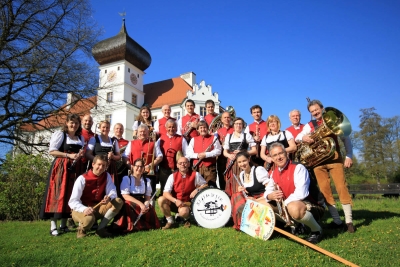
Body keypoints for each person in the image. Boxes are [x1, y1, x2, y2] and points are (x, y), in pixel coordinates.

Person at [296, 99, 355, 233]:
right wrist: (303, 138)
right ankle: (337, 221)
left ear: (322, 108)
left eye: (316, 109)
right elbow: (298, 137)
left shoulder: (333, 121)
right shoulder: (309, 125)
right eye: (312, 111)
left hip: (334, 158)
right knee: (325, 191)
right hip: (318, 162)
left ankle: (349, 221)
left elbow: (346, 138)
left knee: (341, 188)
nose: (315, 112)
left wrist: (349, 156)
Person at [265, 143, 325, 244]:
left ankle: (317, 230)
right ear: (271, 158)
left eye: (281, 153)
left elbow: (302, 193)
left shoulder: (298, 167)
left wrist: (284, 204)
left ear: (286, 154)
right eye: (275, 155)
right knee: (264, 203)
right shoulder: (274, 172)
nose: (278, 157)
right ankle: (296, 226)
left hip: (313, 205)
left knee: (294, 208)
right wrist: (270, 195)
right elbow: (267, 191)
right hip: (291, 204)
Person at [40, 114, 85, 236]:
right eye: (71, 122)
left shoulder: (80, 138)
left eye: (76, 123)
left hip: (76, 168)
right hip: (61, 167)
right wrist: (68, 155)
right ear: (66, 123)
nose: (74, 125)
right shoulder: (60, 135)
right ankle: (53, 226)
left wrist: (79, 155)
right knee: (58, 194)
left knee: (71, 194)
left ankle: (63, 225)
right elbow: (52, 151)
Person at [69, 155, 124, 238]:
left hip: (97, 207)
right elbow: (73, 201)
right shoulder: (82, 179)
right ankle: (81, 229)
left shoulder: (107, 175)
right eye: (99, 164)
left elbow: (112, 191)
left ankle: (100, 229)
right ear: (93, 164)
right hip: (80, 209)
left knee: (118, 201)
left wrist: (108, 198)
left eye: (104, 165)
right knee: (89, 220)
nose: (101, 167)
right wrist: (84, 209)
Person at [158, 156, 207, 229]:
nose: (182, 165)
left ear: (188, 164)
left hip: (187, 203)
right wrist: (175, 200)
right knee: (161, 200)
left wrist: (197, 190)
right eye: (180, 163)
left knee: (183, 212)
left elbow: (205, 185)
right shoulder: (172, 176)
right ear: (177, 165)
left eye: (185, 163)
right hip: (175, 202)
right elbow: (165, 193)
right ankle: (170, 221)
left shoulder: (195, 174)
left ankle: (185, 218)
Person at [113, 158, 161, 232]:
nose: (139, 168)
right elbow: (125, 196)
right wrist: (141, 204)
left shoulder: (146, 180)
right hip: (129, 201)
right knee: (129, 204)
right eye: (137, 166)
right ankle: (131, 225)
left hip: (141, 202)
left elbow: (147, 197)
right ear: (133, 167)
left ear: (143, 168)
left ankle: (142, 225)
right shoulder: (127, 179)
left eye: (141, 166)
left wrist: (145, 205)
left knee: (149, 208)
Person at [231, 152, 270, 230]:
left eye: (244, 161)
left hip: (264, 198)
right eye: (239, 162)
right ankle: (241, 223)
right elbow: (249, 193)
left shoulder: (258, 170)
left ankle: (248, 223)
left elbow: (270, 189)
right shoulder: (242, 175)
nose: (242, 164)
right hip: (252, 199)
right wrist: (242, 191)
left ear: (249, 159)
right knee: (236, 195)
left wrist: (256, 200)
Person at [122, 124, 163, 195]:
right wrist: (131, 167)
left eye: (144, 132)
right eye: (140, 131)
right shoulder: (131, 143)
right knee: (134, 193)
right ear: (137, 133)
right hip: (135, 173)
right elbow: (125, 156)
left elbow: (160, 156)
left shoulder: (154, 143)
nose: (142, 133)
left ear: (148, 133)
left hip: (149, 172)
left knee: (150, 194)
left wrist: (149, 166)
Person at [223, 117, 257, 196]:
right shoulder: (229, 136)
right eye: (236, 124)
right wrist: (229, 155)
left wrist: (243, 152)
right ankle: (233, 200)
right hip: (232, 163)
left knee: (243, 180)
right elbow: (225, 152)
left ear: (243, 125)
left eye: (240, 124)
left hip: (243, 162)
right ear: (233, 125)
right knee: (232, 181)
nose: (238, 125)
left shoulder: (247, 135)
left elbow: (254, 150)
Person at [85, 120, 121, 194]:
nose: (105, 129)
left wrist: (113, 156)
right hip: (98, 167)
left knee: (109, 188)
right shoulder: (94, 139)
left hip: (110, 168)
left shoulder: (114, 140)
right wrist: (97, 162)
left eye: (107, 127)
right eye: (103, 127)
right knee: (97, 187)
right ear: (100, 128)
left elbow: (119, 156)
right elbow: (87, 154)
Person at [157, 119, 188, 195]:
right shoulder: (160, 139)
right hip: (164, 170)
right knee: (164, 190)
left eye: (173, 127)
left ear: (176, 128)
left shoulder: (181, 139)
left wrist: (183, 164)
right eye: (169, 127)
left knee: (178, 189)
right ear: (166, 128)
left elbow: (187, 154)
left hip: (177, 170)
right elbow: (157, 153)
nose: (171, 129)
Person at [186, 121, 222, 187]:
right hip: (197, 167)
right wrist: (197, 155)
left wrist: (206, 154)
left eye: (205, 127)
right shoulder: (193, 139)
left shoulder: (213, 138)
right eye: (201, 128)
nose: (203, 129)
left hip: (210, 168)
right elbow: (188, 153)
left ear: (207, 128)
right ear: (198, 129)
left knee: (210, 186)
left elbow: (218, 151)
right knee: (197, 187)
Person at [216, 111, 234, 190]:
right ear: (221, 119)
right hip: (221, 158)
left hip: (232, 156)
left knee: (232, 176)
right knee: (222, 176)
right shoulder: (218, 132)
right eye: (225, 117)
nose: (227, 119)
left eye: (228, 117)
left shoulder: (234, 130)